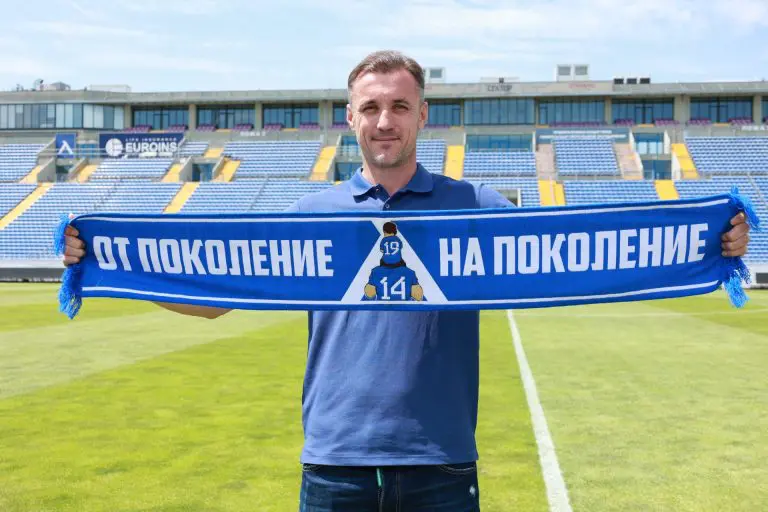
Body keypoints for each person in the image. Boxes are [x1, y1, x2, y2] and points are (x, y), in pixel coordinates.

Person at [62, 50, 752, 511]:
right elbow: (215, 300)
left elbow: (582, 254)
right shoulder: (310, 215)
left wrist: (707, 243)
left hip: (440, 465)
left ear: (423, 115)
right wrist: (108, 263)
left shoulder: (476, 207)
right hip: (334, 464)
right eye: (370, 108)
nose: (383, 121)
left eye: (398, 106)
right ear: (350, 119)